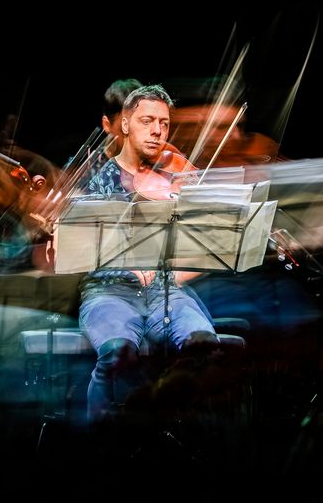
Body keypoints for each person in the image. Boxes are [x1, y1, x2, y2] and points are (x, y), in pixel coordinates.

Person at [76, 84, 218, 421]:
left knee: (203, 345)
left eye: (164, 123)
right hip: (109, 292)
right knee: (117, 353)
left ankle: (175, 423)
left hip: (165, 291)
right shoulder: (96, 178)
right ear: (125, 124)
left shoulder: (175, 177)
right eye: (147, 121)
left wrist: (183, 267)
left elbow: (208, 241)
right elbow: (78, 243)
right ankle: (98, 434)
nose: (157, 131)